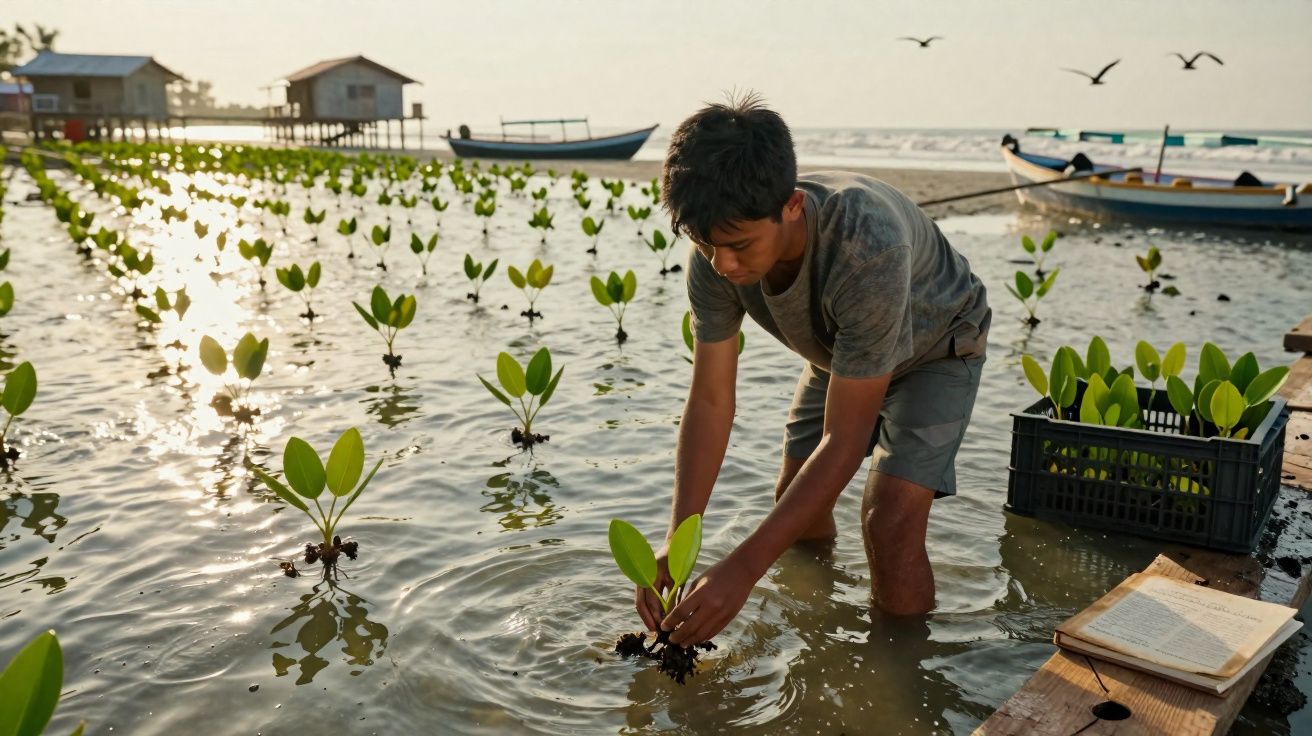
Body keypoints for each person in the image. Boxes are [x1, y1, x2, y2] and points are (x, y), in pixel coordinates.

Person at [636, 93, 991, 647]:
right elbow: (709, 401)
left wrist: (742, 570)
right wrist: (678, 541)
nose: (724, 266)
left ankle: (902, 665)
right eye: (706, 245)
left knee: (888, 521)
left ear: (793, 206)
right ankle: (817, 629)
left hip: (936, 346)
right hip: (844, 351)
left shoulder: (865, 245)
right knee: (795, 506)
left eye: (739, 245)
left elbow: (844, 440)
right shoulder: (714, 256)